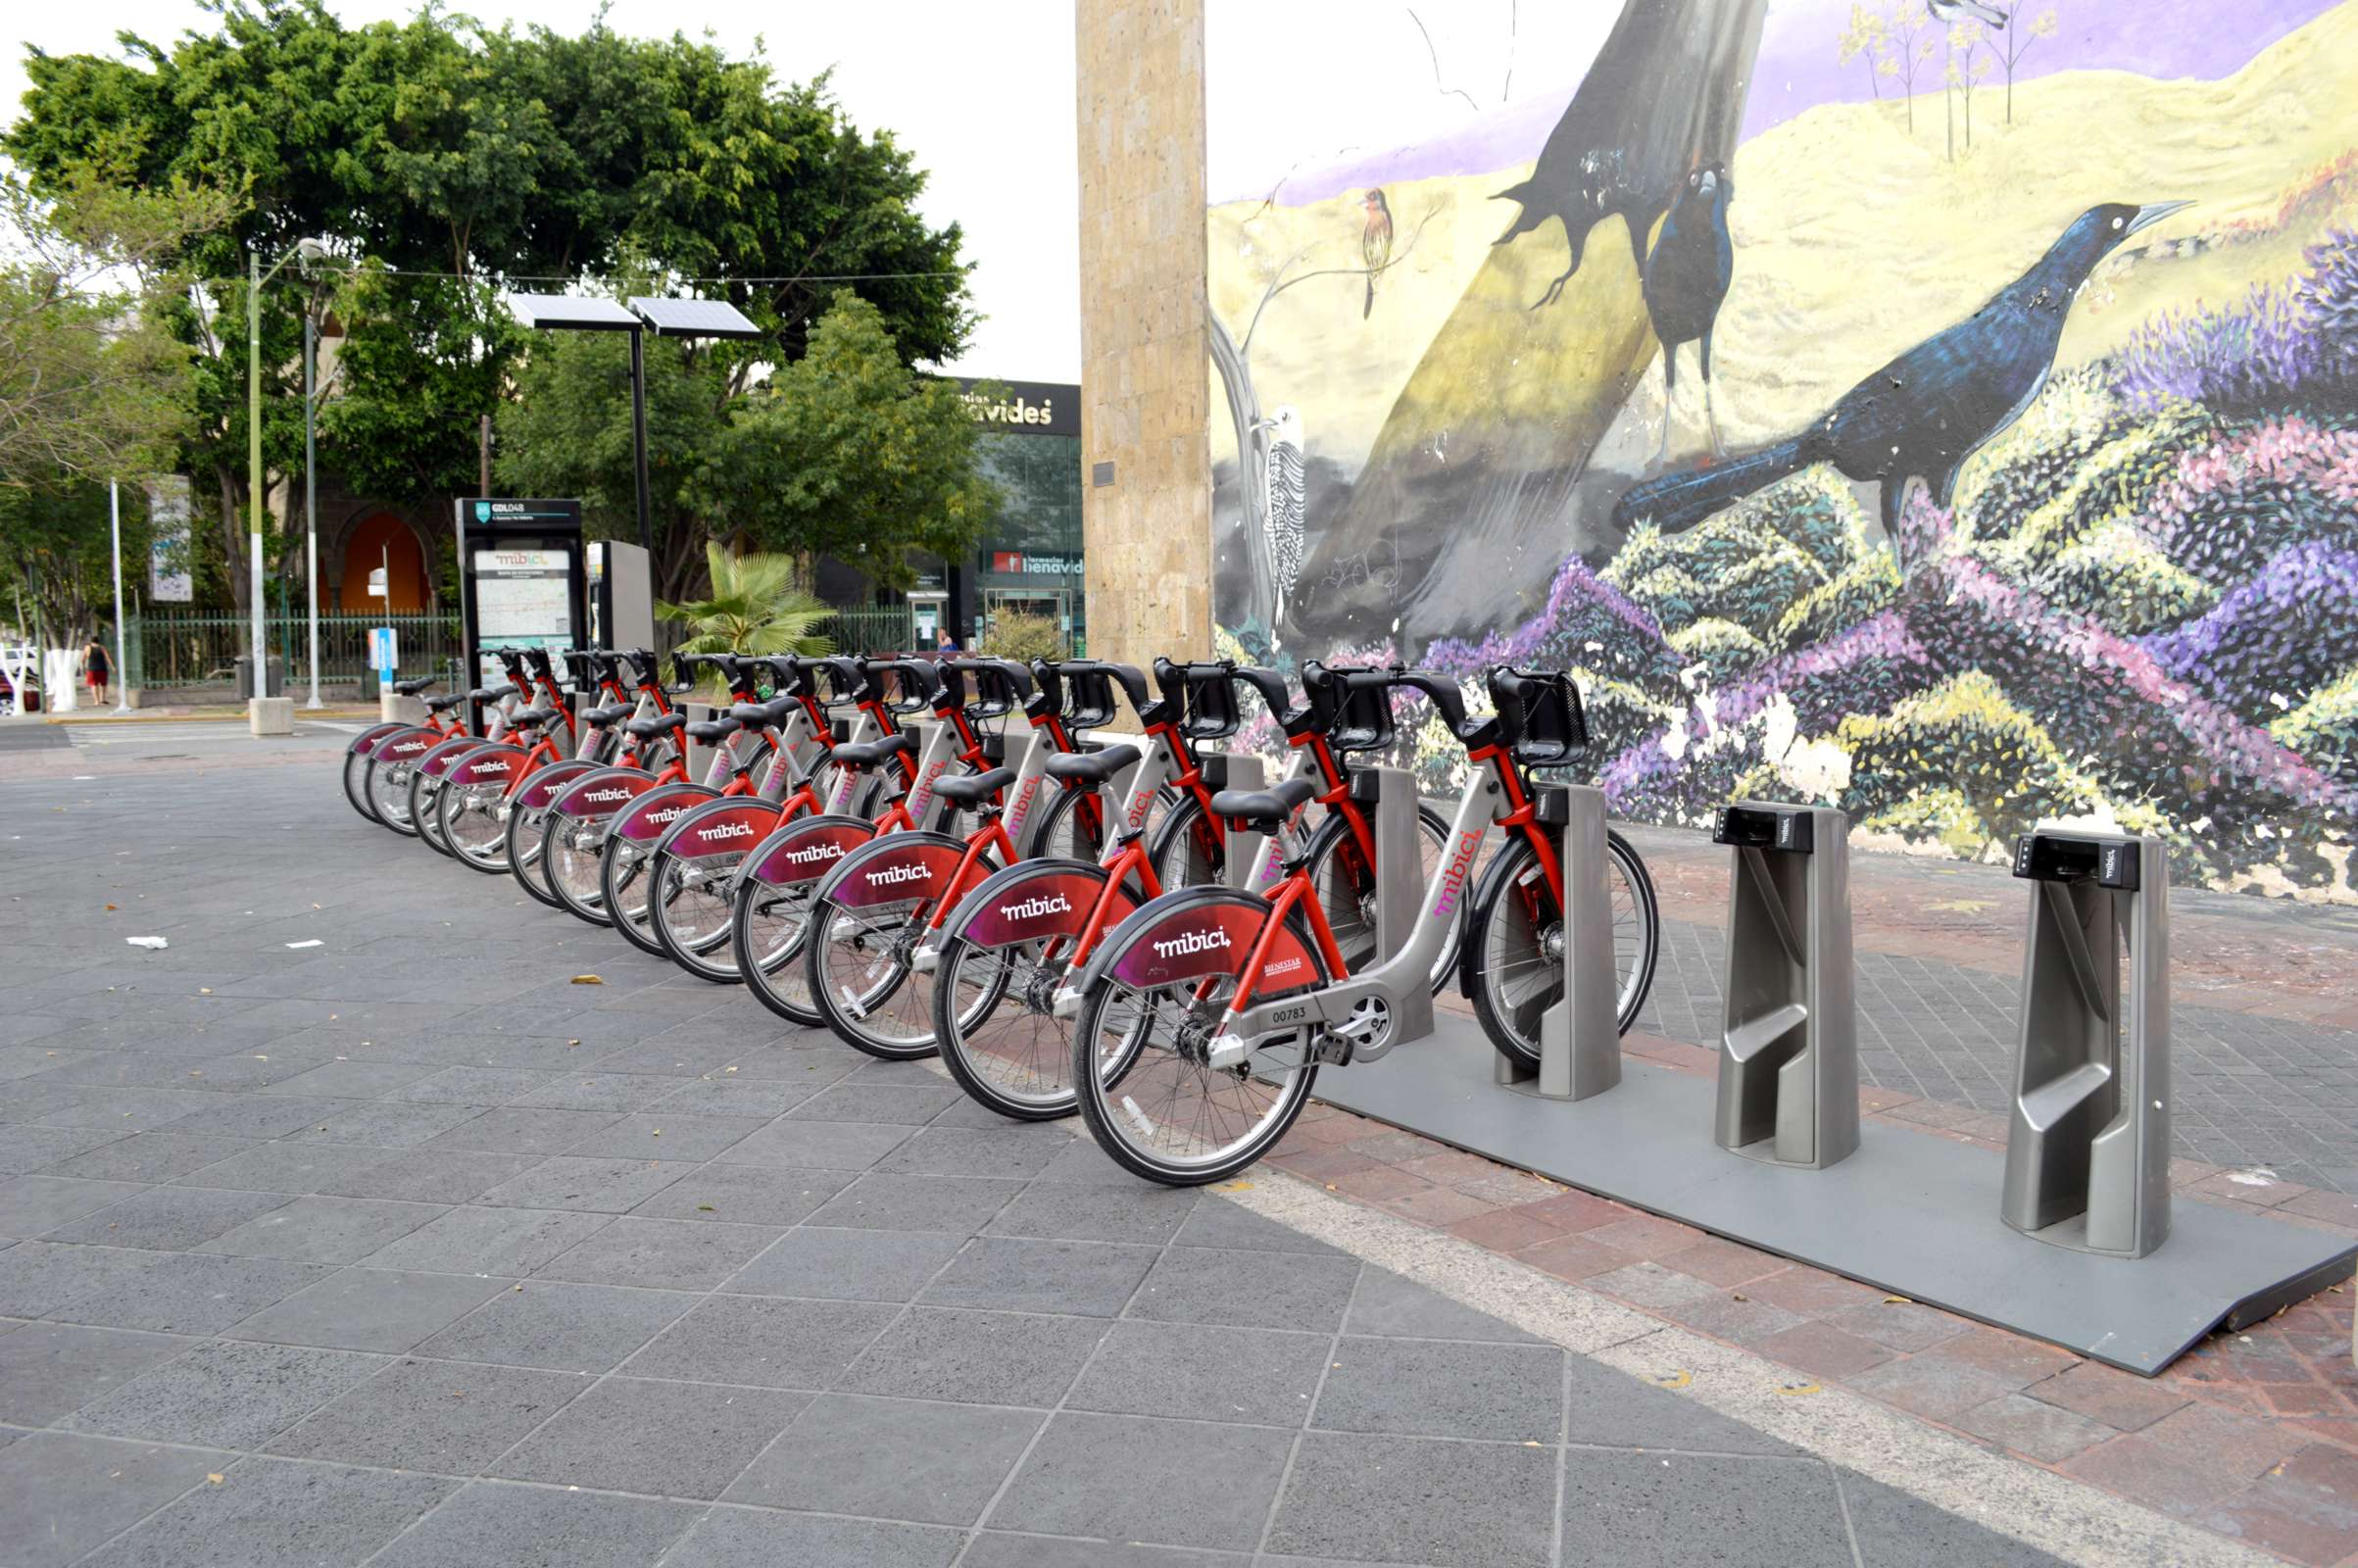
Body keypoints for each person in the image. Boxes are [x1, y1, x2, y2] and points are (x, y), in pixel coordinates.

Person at [83, 633, 111, 706]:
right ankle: (103, 698)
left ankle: (96, 701)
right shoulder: (102, 648)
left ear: (91, 641)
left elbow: (83, 659)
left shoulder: (87, 648)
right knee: (103, 684)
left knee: (94, 685)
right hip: (102, 668)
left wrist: (83, 667)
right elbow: (107, 657)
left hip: (92, 669)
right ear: (98, 641)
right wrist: (112, 666)